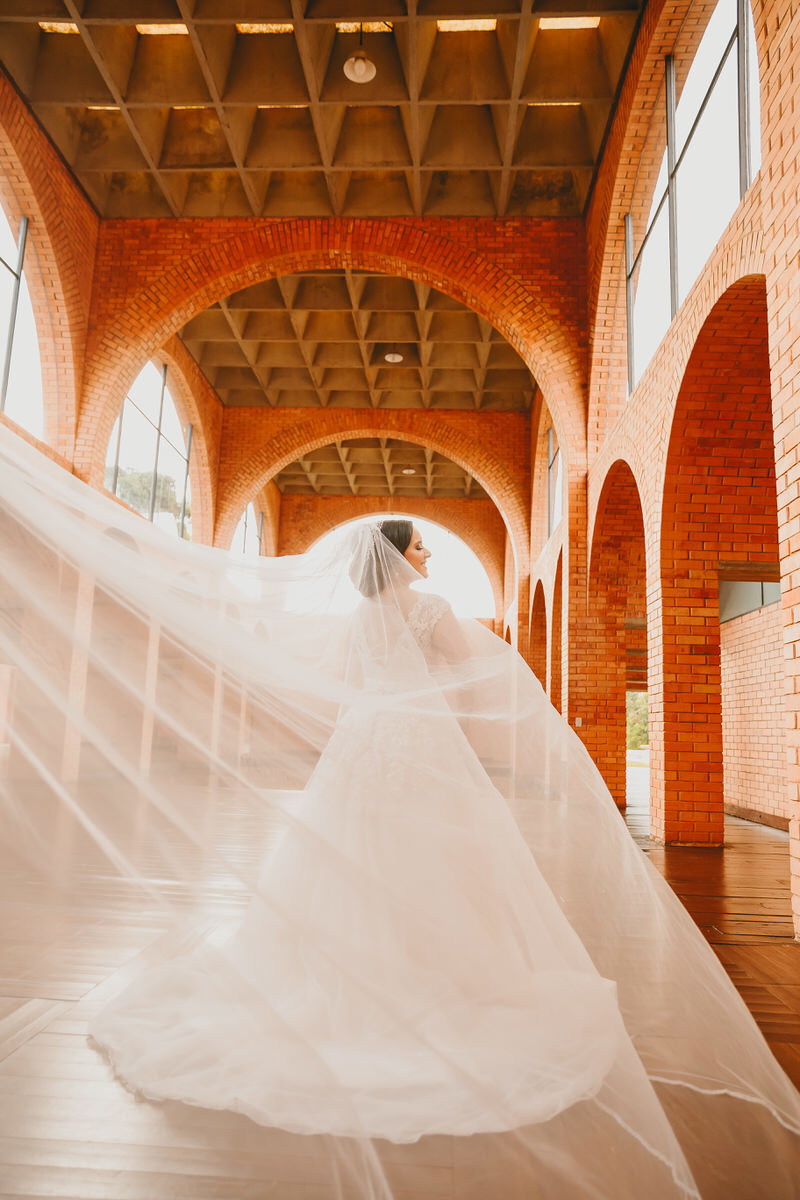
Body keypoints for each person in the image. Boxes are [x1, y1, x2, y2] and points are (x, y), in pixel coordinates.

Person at [0, 439, 798, 1198]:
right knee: (437, 862)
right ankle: (439, 984)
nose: (429, 555)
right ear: (398, 554)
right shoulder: (429, 608)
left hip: (364, 743)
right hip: (419, 747)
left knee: (352, 855)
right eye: (420, 546)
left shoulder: (359, 621)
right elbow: (467, 674)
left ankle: (348, 980)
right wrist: (508, 685)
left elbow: (356, 680)